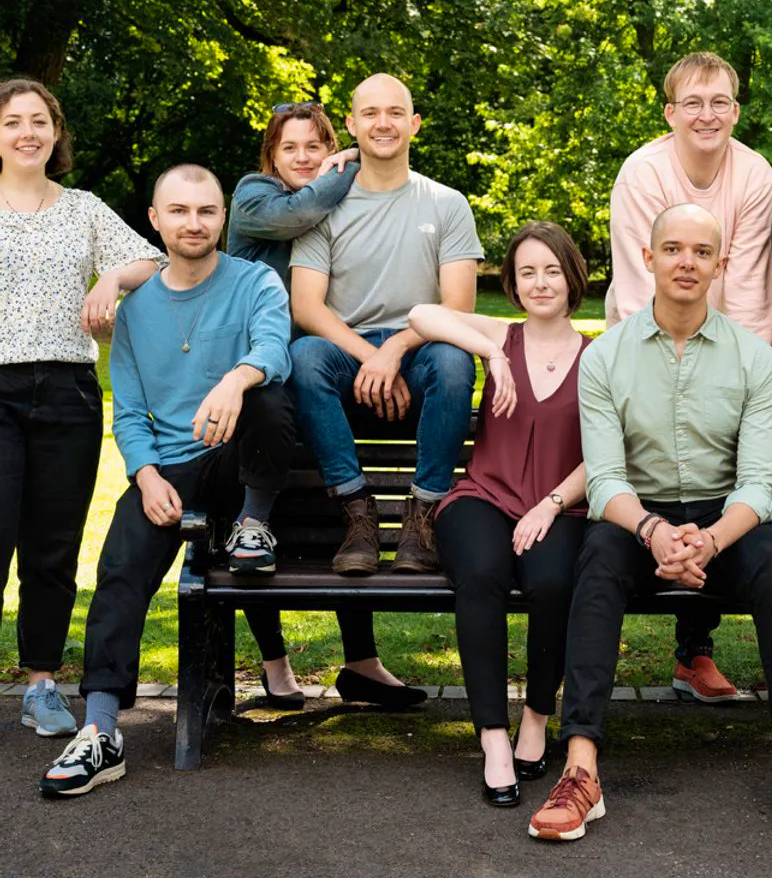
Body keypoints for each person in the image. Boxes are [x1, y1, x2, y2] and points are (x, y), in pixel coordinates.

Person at [527, 204, 772, 846]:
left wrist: (707, 539)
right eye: (672, 249)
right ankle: (580, 770)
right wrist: (653, 532)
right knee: (595, 568)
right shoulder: (606, 358)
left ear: (721, 265)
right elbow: (605, 480)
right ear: (647, 259)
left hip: (724, 517)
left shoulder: (753, 359)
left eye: (701, 252)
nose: (686, 262)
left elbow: (760, 484)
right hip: (635, 515)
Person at [39, 165, 294, 797]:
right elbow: (127, 412)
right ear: (155, 220)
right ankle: (101, 731)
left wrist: (236, 378)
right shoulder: (136, 311)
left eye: (207, 211)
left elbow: (275, 347)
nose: (194, 223)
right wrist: (146, 475)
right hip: (174, 468)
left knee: (267, 391)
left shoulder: (257, 281)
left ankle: (255, 525)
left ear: (223, 218)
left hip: (243, 461)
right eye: (179, 211)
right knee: (120, 566)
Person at [228, 101, 422, 711]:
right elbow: (305, 207)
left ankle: (361, 663)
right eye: (292, 148)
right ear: (271, 156)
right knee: (261, 522)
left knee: (343, 525)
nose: (304, 158)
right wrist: (348, 166)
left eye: (316, 146)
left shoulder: (333, 207)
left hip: (312, 378)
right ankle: (275, 664)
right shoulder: (258, 196)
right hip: (260, 384)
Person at [606, 51, 772, 701]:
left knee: (727, 459)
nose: (707, 115)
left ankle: (693, 653)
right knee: (665, 460)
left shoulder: (754, 173)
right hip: (645, 340)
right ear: (671, 113)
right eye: (693, 103)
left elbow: (753, 292)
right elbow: (634, 288)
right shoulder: (642, 173)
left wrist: (741, 383)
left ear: (735, 111)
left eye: (720, 103)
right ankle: (632, 630)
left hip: (729, 344)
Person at [0, 78, 161, 738]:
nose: (28, 133)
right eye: (13, 122)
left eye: (40, 121)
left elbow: (152, 259)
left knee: (52, 547)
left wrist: (112, 278)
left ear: (57, 132)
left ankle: (41, 683)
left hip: (68, 392)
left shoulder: (85, 209)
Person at [410, 222, 590, 808]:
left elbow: (615, 452)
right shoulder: (500, 336)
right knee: (482, 577)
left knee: (552, 581)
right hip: (483, 499)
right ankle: (491, 736)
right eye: (527, 272)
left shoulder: (601, 354)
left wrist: (551, 503)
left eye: (552, 270)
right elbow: (420, 314)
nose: (540, 283)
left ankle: (537, 716)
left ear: (572, 277)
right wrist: (491, 353)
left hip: (559, 506)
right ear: (512, 283)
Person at [288, 73, 483, 578]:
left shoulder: (446, 203)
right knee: (304, 356)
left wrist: (395, 349)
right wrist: (371, 356)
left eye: (395, 112)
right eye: (370, 113)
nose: (383, 123)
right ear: (351, 125)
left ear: (414, 124)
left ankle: (423, 514)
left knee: (455, 360)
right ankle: (358, 512)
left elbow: (457, 307)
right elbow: (307, 307)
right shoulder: (324, 206)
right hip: (346, 356)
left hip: (421, 353)